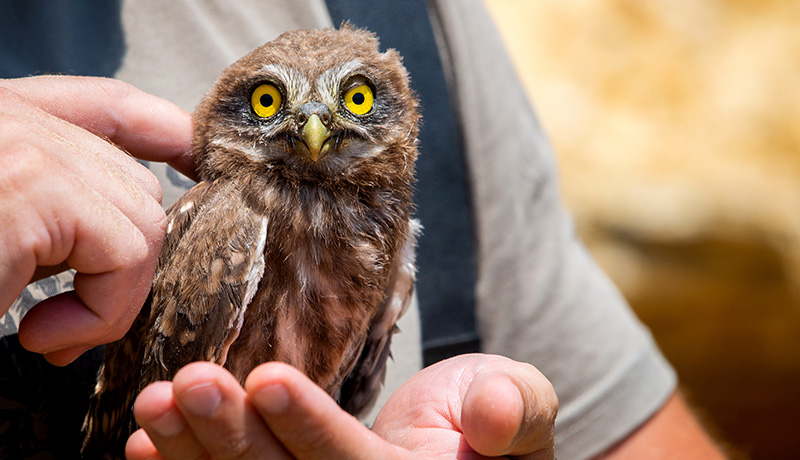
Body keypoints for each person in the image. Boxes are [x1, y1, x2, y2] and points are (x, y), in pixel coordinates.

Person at [0, 1, 725, 459]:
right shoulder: (228, 220)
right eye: (266, 102)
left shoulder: (422, 26)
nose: (314, 128)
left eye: (352, 98)